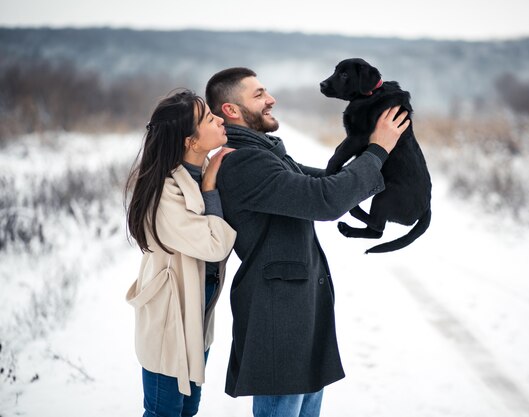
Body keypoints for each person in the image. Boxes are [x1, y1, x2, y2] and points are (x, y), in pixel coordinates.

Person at [205, 68, 409, 417]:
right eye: (258, 95)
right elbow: (323, 199)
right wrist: (377, 151)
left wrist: (390, 162)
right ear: (231, 110)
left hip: (297, 312)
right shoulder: (244, 161)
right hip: (277, 317)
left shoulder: (266, 153)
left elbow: (329, 181)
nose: (271, 99)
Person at [124, 89, 237, 417]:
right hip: (170, 320)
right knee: (164, 412)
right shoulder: (166, 192)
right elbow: (215, 244)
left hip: (197, 314)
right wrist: (211, 188)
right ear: (189, 140)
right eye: (208, 118)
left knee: (188, 410)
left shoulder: (199, 170)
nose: (219, 118)